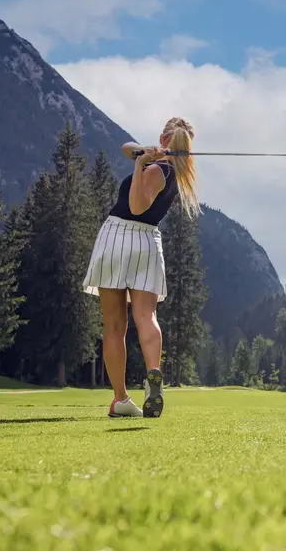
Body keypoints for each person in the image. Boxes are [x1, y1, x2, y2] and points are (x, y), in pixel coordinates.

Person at [81, 117, 200, 418]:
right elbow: (126, 147)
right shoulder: (175, 173)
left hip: (117, 236)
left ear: (164, 138)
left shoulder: (156, 171)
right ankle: (153, 374)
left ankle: (121, 399)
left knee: (114, 326)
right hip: (147, 243)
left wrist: (140, 166)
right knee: (146, 316)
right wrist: (141, 152)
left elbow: (136, 207)